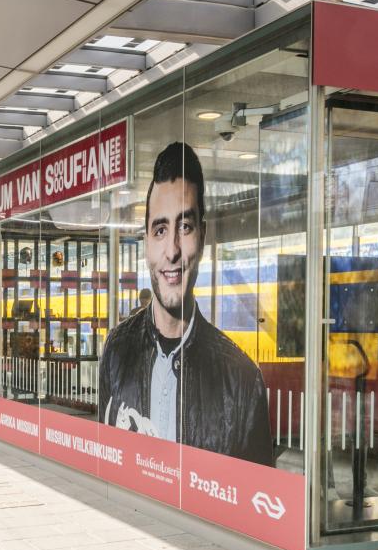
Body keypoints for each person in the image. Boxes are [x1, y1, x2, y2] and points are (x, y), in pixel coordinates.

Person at [97, 142, 271, 465]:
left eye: (185, 227)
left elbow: (253, 504)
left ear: (202, 237)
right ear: (147, 242)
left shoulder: (243, 382)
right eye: (160, 229)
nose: (172, 250)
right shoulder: (117, 351)